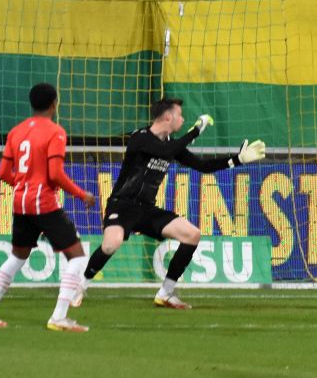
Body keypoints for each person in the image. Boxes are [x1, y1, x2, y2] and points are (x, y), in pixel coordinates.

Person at [79, 98, 266, 310]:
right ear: (168, 116)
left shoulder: (171, 145)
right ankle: (81, 285)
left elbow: (203, 166)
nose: (183, 119)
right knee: (111, 244)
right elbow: (162, 151)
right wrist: (195, 131)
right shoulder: (140, 137)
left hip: (147, 209)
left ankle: (166, 292)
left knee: (192, 235)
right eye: (180, 115)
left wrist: (237, 160)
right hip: (122, 206)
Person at [0, 83, 96, 332]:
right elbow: (55, 173)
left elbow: (2, 173)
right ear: (54, 103)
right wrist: (81, 194)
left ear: (32, 104)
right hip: (43, 203)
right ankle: (59, 317)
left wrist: (23, 184)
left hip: (20, 203)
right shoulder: (56, 132)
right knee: (77, 256)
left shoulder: (16, 131)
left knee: (18, 256)